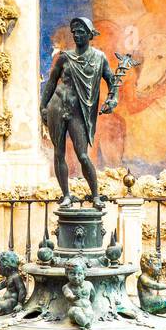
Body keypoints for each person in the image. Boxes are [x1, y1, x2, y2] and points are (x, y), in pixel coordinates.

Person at [40, 17, 120, 208]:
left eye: (81, 32)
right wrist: (42, 106)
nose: (76, 35)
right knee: (58, 153)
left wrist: (113, 99)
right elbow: (51, 82)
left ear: (90, 34)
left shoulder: (99, 57)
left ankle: (95, 196)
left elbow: (112, 82)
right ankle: (66, 195)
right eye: (74, 32)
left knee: (82, 155)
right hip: (57, 106)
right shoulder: (65, 57)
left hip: (78, 111)